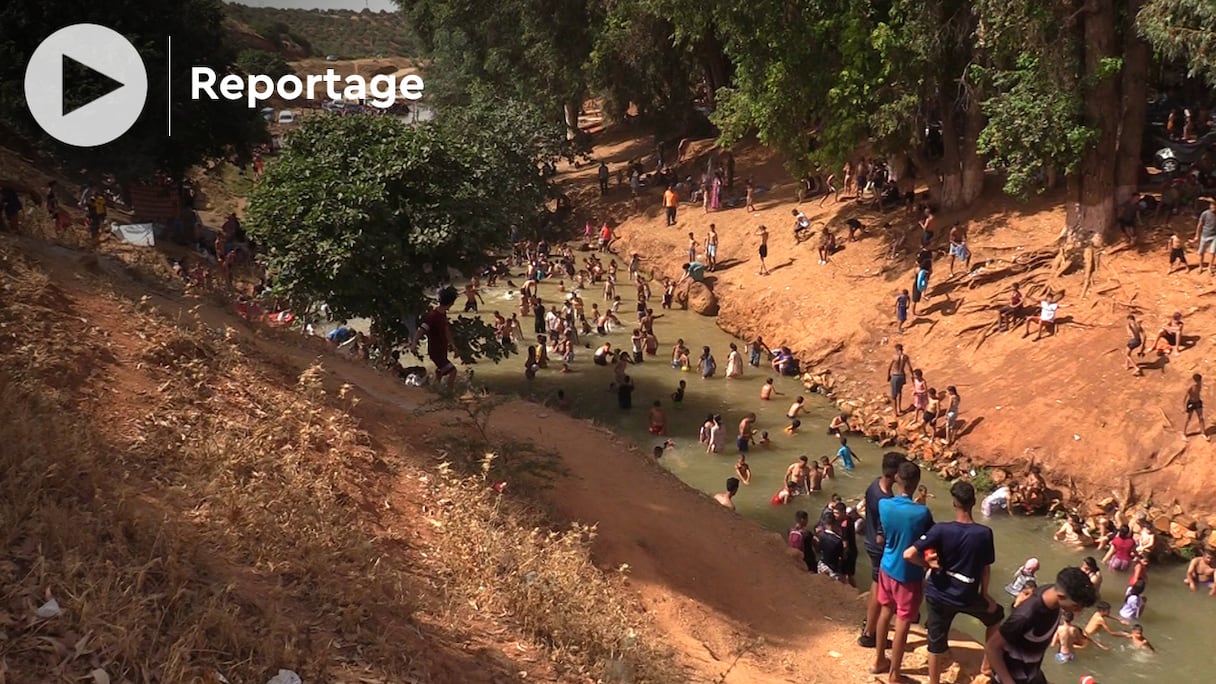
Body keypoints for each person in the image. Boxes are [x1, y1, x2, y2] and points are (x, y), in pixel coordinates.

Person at [905, 481, 1003, 684]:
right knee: (995, 617)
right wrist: (985, 594)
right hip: (967, 594)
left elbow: (908, 554)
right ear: (974, 502)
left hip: (939, 593)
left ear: (954, 503)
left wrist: (927, 564)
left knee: (935, 641)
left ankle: (934, 682)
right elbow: (986, 568)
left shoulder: (941, 530)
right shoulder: (984, 534)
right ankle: (986, 666)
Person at [871, 461, 934, 684]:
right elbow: (929, 540)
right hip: (909, 574)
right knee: (903, 621)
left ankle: (879, 660)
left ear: (897, 479)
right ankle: (894, 674)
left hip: (886, 567)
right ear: (917, 483)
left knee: (885, 611)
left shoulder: (885, 505)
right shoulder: (922, 513)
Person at [984, 567, 1097, 684]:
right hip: (1012, 677)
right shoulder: (1026, 615)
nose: (1079, 612)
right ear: (1061, 596)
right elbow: (992, 647)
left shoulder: (1052, 594)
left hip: (1032, 673)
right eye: (1076, 606)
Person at [858, 452, 903, 649]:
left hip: (869, 541)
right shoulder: (885, 500)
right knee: (879, 589)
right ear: (895, 475)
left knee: (875, 585)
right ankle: (870, 634)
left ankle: (870, 625)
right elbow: (881, 536)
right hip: (878, 547)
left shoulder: (874, 485)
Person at [410, 287, 459, 390]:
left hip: (441, 349)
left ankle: (435, 388)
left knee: (440, 370)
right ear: (451, 303)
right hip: (435, 350)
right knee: (453, 371)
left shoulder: (442, 314)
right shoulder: (433, 316)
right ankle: (449, 393)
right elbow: (421, 329)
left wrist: (453, 344)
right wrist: (414, 342)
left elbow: (446, 329)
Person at [887, 344, 913, 415]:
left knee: (894, 395)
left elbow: (889, 367)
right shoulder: (905, 357)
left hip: (895, 375)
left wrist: (888, 376)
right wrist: (912, 375)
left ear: (897, 349)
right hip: (902, 375)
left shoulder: (895, 357)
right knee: (900, 392)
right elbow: (910, 367)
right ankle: (900, 408)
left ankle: (895, 412)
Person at [1184, 372, 1208, 441]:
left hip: (1198, 402)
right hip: (1191, 403)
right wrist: (1183, 406)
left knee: (1201, 417)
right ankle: (1184, 433)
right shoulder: (1191, 387)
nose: (1200, 382)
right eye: (1199, 381)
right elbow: (1185, 396)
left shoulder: (1200, 385)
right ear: (1195, 381)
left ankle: (1203, 433)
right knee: (1188, 418)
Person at [1195, 199, 1216, 274]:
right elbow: (1199, 225)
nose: (1213, 207)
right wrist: (1197, 235)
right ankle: (1200, 266)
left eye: (1215, 205)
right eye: (1212, 205)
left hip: (1214, 236)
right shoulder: (1205, 213)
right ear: (1210, 206)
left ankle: (1209, 267)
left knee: (1213, 252)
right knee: (1201, 252)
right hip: (1204, 235)